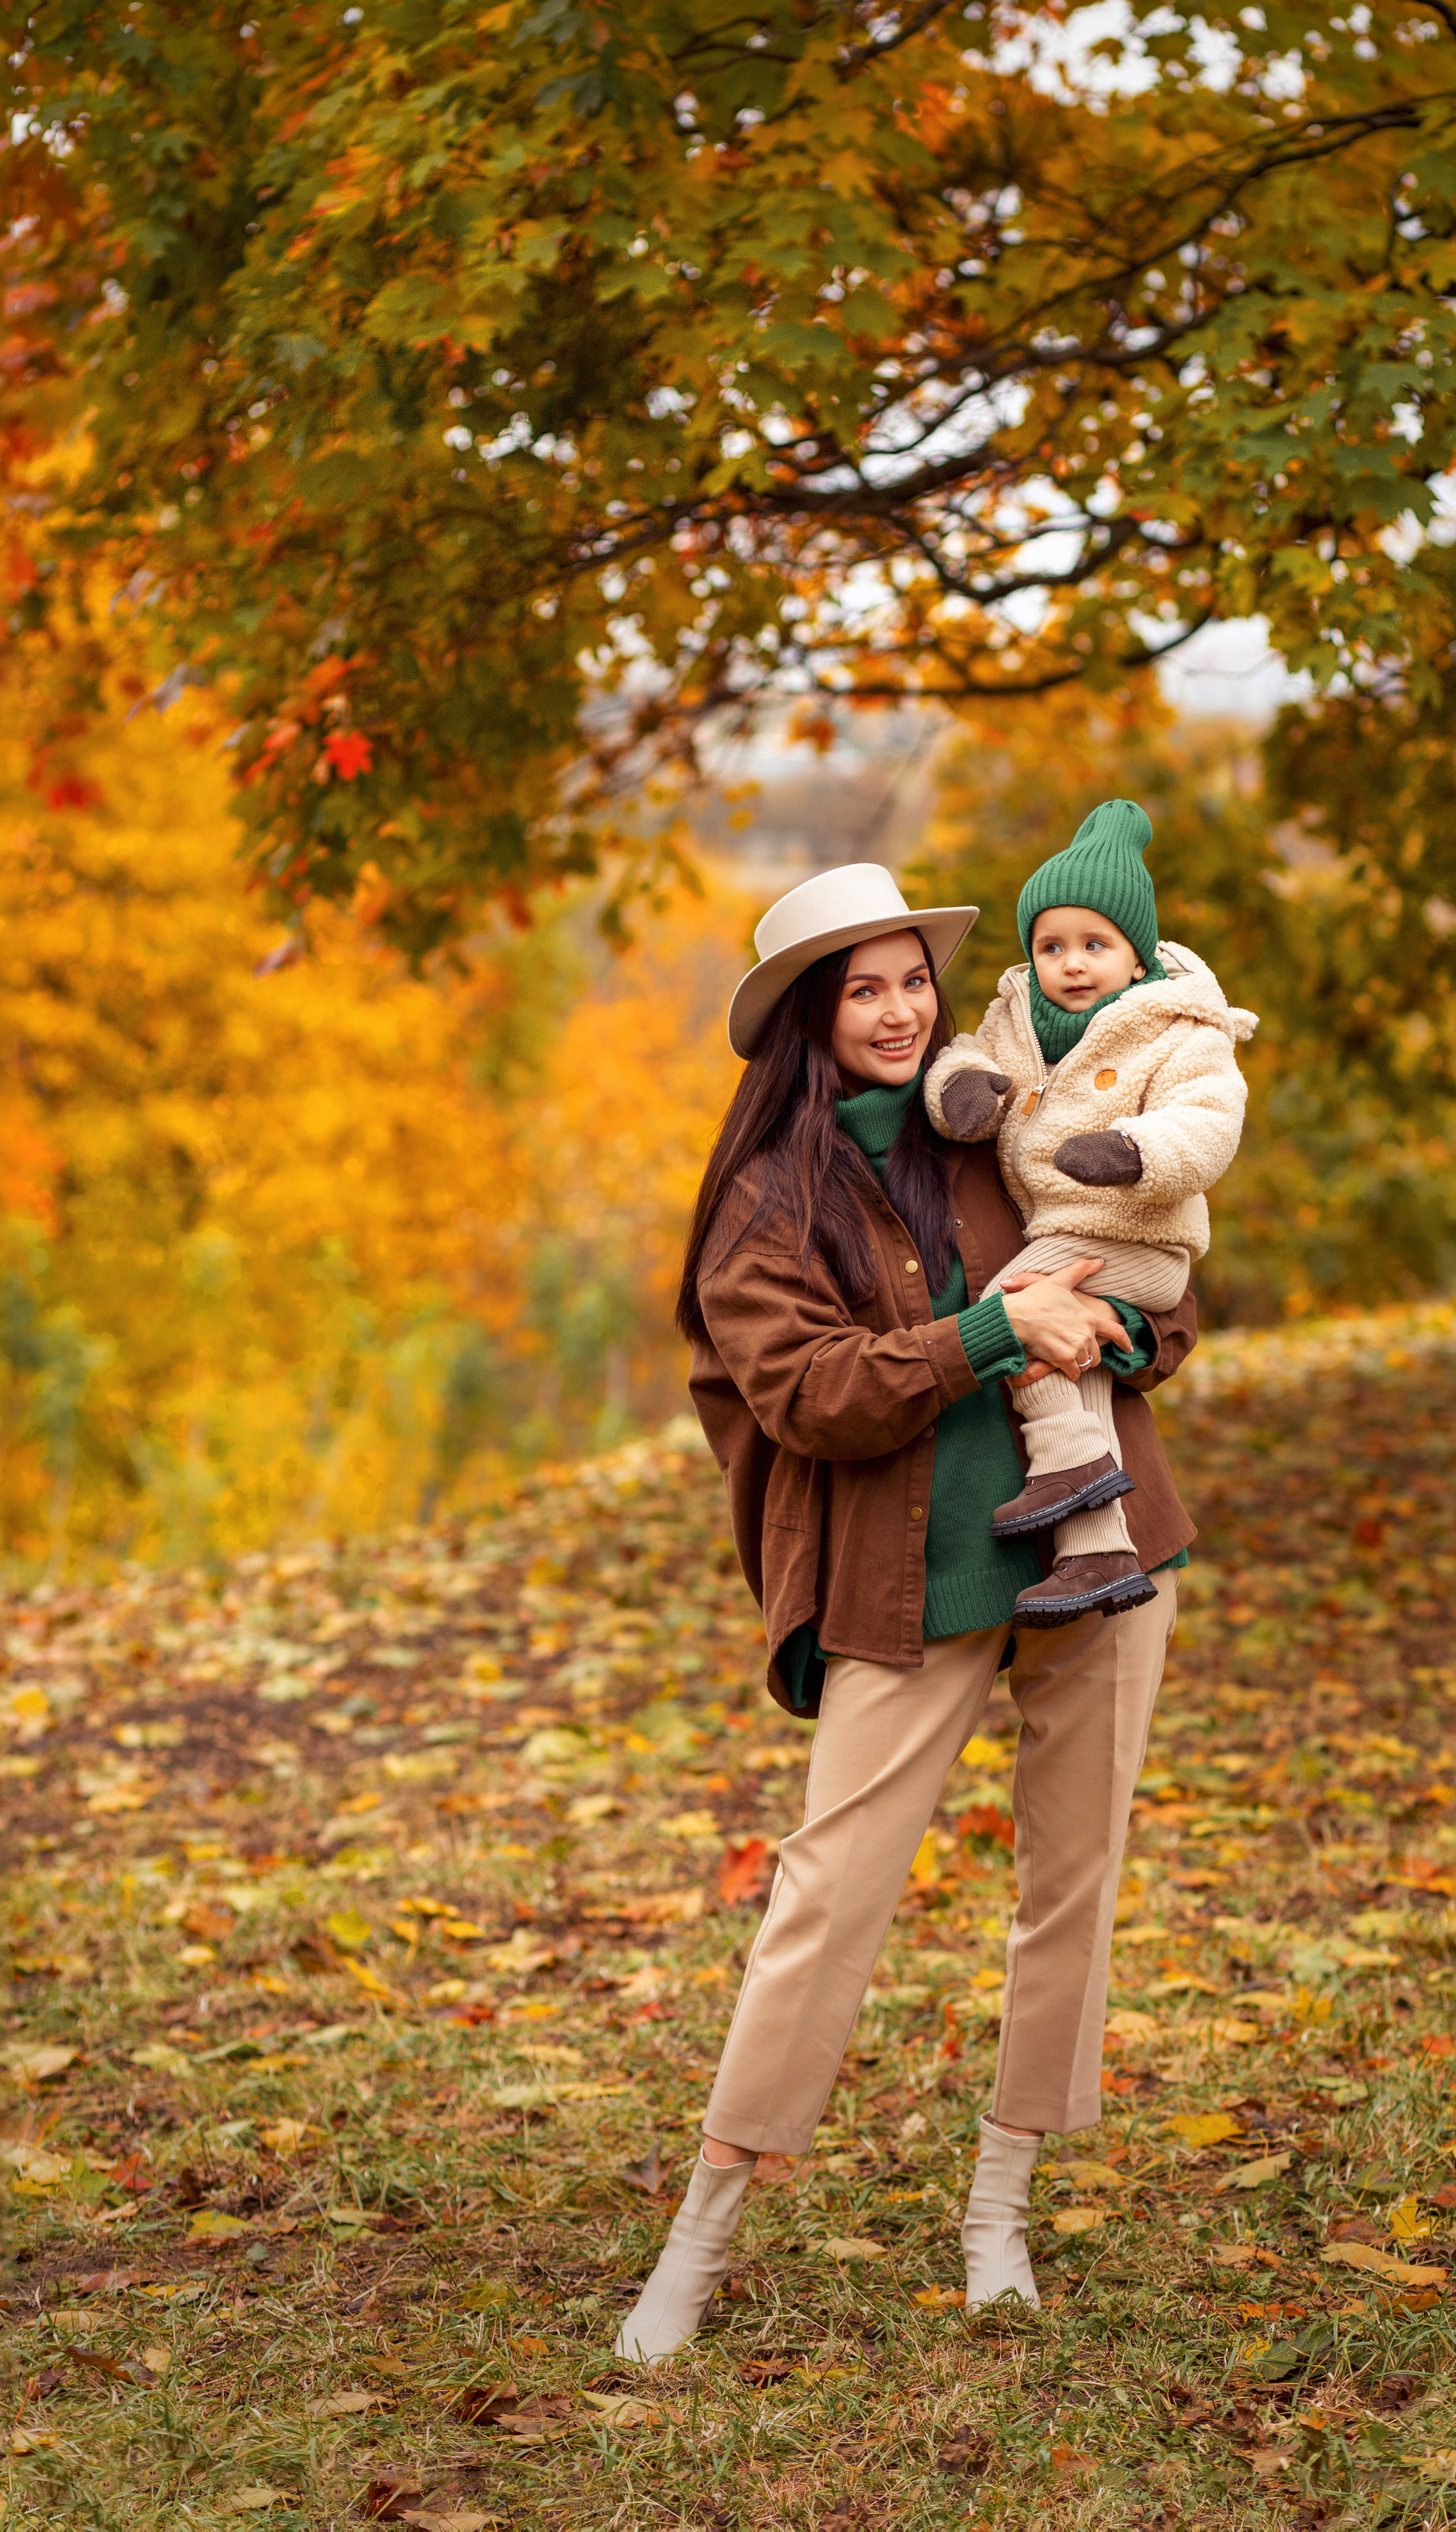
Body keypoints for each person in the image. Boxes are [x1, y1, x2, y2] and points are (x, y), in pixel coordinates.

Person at [614, 862, 1198, 2364]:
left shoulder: (1003, 1110)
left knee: (1072, 1885)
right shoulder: (764, 1197)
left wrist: (1112, 1320)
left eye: (911, 980)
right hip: (904, 1573)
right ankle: (701, 2233)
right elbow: (805, 1394)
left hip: (1098, 1547)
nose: (896, 1010)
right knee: (827, 1896)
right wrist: (994, 1324)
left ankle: (996, 2207)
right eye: (861, 987)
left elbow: (1162, 1281)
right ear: (812, 1014)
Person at [925, 800, 1254, 1627]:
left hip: (1140, 1236)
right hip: (1066, 1234)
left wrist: (1134, 1151)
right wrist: (960, 1089)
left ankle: (1067, 1468)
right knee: (1058, 1351)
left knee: (1003, 1314)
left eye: (1094, 945)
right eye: (1052, 946)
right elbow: (963, 1053)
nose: (1071, 964)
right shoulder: (1017, 1021)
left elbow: (1209, 1119)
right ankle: (1098, 1552)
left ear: (1136, 958)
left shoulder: (1177, 1028)